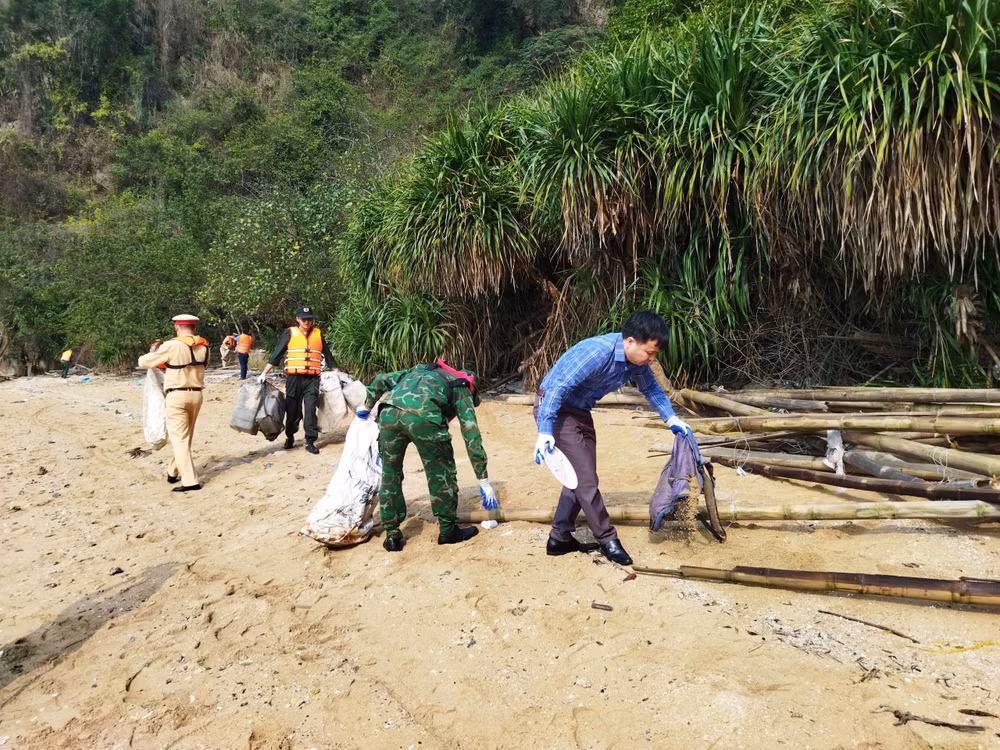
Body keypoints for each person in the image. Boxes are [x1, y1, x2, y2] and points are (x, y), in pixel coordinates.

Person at [533, 310, 690, 565]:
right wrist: (545, 430)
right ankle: (608, 539)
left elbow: (651, 388)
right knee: (585, 480)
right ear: (630, 341)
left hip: (580, 412)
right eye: (649, 352)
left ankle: (559, 538)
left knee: (580, 477)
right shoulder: (597, 352)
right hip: (556, 409)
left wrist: (671, 418)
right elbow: (557, 387)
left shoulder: (636, 363)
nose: (652, 359)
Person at [360, 359, 497, 552]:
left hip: (389, 413)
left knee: (390, 474)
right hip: (424, 417)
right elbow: (471, 433)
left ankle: (392, 535)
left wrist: (367, 406)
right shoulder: (462, 386)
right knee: (440, 472)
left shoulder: (420, 370)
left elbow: (381, 380)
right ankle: (448, 531)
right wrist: (483, 479)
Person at [137, 314, 210, 492]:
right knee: (186, 436)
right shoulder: (204, 346)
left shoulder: (172, 345)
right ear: (194, 328)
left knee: (179, 439)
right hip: (197, 395)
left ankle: (190, 481)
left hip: (177, 395)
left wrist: (153, 351)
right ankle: (173, 470)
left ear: (177, 328)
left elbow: (144, 362)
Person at [259, 306, 337, 454]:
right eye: (304, 319)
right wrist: (264, 373)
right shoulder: (289, 333)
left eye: (309, 319)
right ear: (297, 319)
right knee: (292, 410)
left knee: (310, 410)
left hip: (312, 379)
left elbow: (328, 355)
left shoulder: (318, 334)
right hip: (294, 379)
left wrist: (337, 373)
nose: (307, 322)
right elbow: (277, 354)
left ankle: (310, 440)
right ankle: (290, 436)